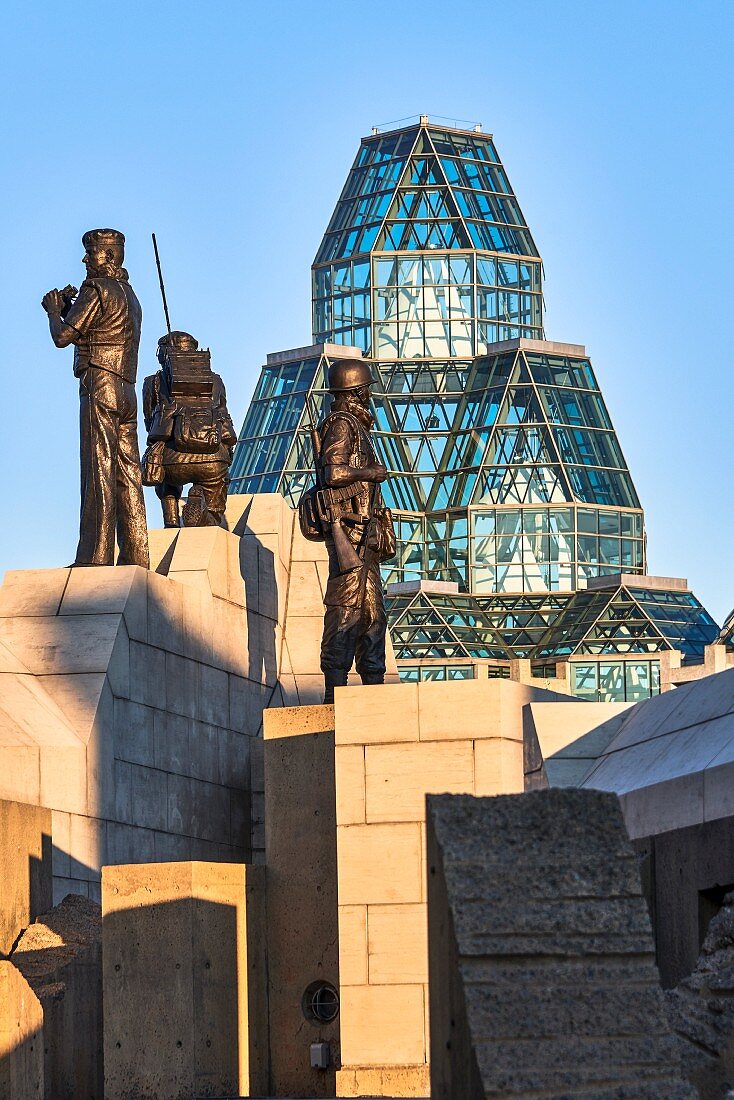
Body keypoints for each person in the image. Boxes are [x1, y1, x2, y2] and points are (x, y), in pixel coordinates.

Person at [41, 229, 149, 567]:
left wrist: (54, 310)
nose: (86, 259)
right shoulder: (131, 297)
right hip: (126, 389)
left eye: (92, 252)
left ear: (110, 256)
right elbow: (100, 326)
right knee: (129, 472)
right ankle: (136, 557)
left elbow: (63, 336)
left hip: (100, 383)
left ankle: (95, 556)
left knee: (98, 466)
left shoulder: (96, 288)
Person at [316, 358, 395, 703]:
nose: (369, 394)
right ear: (356, 391)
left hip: (367, 539)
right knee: (345, 611)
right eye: (365, 389)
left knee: (374, 616)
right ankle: (334, 694)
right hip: (349, 535)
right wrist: (370, 473)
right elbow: (332, 474)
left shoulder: (356, 425)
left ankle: (374, 694)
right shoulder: (342, 424)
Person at [141, 331, 237, 527]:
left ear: (163, 355)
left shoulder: (153, 382)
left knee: (166, 482)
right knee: (215, 508)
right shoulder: (215, 380)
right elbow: (224, 414)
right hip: (212, 457)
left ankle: (172, 520)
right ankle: (201, 502)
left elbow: (149, 420)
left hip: (172, 460)